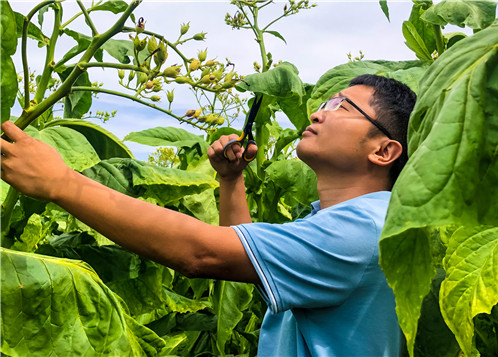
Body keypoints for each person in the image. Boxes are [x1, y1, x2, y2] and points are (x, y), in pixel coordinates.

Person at [1, 74, 417, 356]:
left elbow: (201, 254)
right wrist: (231, 180)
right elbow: (246, 259)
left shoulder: (365, 227)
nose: (317, 112)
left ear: (383, 151)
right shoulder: (347, 221)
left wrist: (60, 182)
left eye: (343, 106)